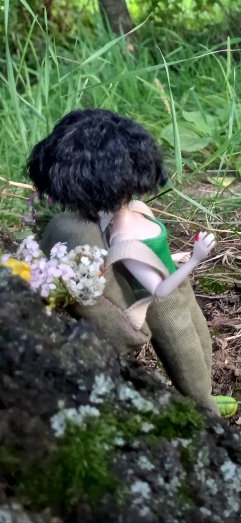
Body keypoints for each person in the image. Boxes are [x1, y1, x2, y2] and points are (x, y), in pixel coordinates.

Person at [27, 108, 223, 416]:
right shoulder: (120, 236)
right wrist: (194, 260)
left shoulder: (130, 214)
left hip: (170, 283)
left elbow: (148, 258)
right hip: (164, 297)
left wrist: (173, 258)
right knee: (190, 363)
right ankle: (207, 412)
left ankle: (207, 403)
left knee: (201, 351)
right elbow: (158, 291)